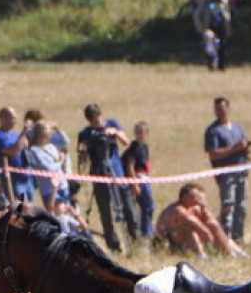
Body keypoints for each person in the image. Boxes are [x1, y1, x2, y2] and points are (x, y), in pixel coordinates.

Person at [77, 103, 138, 252]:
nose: (96, 122)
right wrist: (84, 147)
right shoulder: (85, 133)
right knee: (105, 211)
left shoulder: (112, 124)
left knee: (128, 207)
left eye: (97, 118)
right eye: (92, 120)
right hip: (99, 174)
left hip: (116, 173)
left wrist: (115, 133)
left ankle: (135, 239)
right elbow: (81, 155)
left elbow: (126, 142)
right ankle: (113, 244)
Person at [154, 182, 246, 257]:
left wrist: (204, 209)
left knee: (212, 224)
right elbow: (192, 221)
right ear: (184, 197)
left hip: (186, 239)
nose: (198, 199)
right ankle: (201, 255)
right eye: (194, 196)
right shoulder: (177, 209)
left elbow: (213, 222)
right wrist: (207, 233)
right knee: (189, 227)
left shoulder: (195, 208)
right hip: (169, 241)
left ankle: (232, 251)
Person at [204, 97, 251, 243]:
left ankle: (239, 237)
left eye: (223, 109)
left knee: (241, 206)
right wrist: (234, 149)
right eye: (217, 109)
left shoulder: (238, 127)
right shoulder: (213, 131)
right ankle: (226, 238)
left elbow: (244, 145)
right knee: (228, 206)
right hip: (226, 174)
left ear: (229, 109)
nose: (220, 112)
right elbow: (213, 153)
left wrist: (245, 149)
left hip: (241, 171)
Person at [0, 107, 34, 204]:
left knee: (31, 210)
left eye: (15, 117)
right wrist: (23, 133)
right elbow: (12, 151)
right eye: (12, 118)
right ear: (2, 119)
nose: (15, 120)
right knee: (21, 208)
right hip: (14, 180)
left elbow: (25, 147)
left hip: (27, 177)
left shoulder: (15, 134)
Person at [121, 121, 156, 239]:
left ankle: (148, 228)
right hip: (137, 178)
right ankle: (146, 232)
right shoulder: (133, 148)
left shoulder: (145, 147)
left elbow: (146, 163)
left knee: (149, 206)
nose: (141, 135)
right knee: (146, 205)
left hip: (145, 178)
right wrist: (135, 184)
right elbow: (130, 166)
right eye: (138, 133)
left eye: (143, 133)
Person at [27, 121, 69, 211]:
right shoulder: (34, 150)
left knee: (66, 214)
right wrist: (60, 162)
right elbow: (48, 168)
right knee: (55, 215)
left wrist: (58, 129)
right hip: (49, 189)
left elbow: (65, 142)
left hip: (62, 185)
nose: (50, 137)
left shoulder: (51, 147)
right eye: (48, 135)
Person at [193, 0, 231, 70]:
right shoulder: (205, 2)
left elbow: (228, 14)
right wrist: (200, 28)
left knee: (220, 47)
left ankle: (221, 66)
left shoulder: (224, 1)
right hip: (210, 29)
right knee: (210, 48)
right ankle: (211, 65)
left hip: (221, 28)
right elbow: (197, 15)